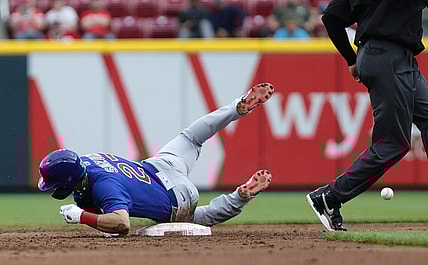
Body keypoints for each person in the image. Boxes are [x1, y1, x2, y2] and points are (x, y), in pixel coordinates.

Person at [38, 83, 275, 236]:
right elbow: (96, 207)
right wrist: (90, 213)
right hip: (161, 165)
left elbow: (121, 225)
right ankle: (237, 106)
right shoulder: (89, 160)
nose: (53, 188)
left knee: (198, 219)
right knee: (191, 137)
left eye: (55, 183)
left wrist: (81, 216)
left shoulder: (103, 186)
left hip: (176, 197)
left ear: (68, 180)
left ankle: (240, 197)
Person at [307, 0, 428, 232]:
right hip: (389, 58)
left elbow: (331, 18)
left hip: (388, 57)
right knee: (393, 143)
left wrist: (352, 59)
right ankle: (330, 197)